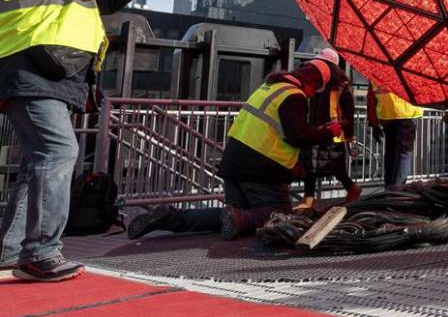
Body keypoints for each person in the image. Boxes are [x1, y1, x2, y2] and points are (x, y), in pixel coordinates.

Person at [0, 0, 160, 282]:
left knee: (39, 163)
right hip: (32, 72)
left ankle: (11, 254)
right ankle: (40, 254)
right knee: (58, 151)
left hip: (44, 74)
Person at [127, 58, 343, 241]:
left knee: (228, 217)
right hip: (261, 169)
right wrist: (328, 132)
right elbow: (298, 136)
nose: (313, 94)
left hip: (234, 162)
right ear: (312, 82)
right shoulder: (294, 96)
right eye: (315, 89)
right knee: (281, 216)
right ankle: (240, 220)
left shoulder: (270, 87)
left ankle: (171, 218)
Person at [300, 49, 360, 208]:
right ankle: (309, 199)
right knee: (312, 166)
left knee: (332, 165)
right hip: (318, 130)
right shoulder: (320, 84)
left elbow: (348, 111)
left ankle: (350, 189)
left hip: (332, 132)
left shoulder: (340, 86)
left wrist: (348, 135)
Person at [367, 79, 424, 192]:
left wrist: (373, 123)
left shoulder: (374, 70)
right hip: (407, 113)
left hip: (387, 115)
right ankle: (396, 191)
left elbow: (371, 99)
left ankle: (389, 189)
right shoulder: (406, 67)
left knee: (391, 153)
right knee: (404, 153)